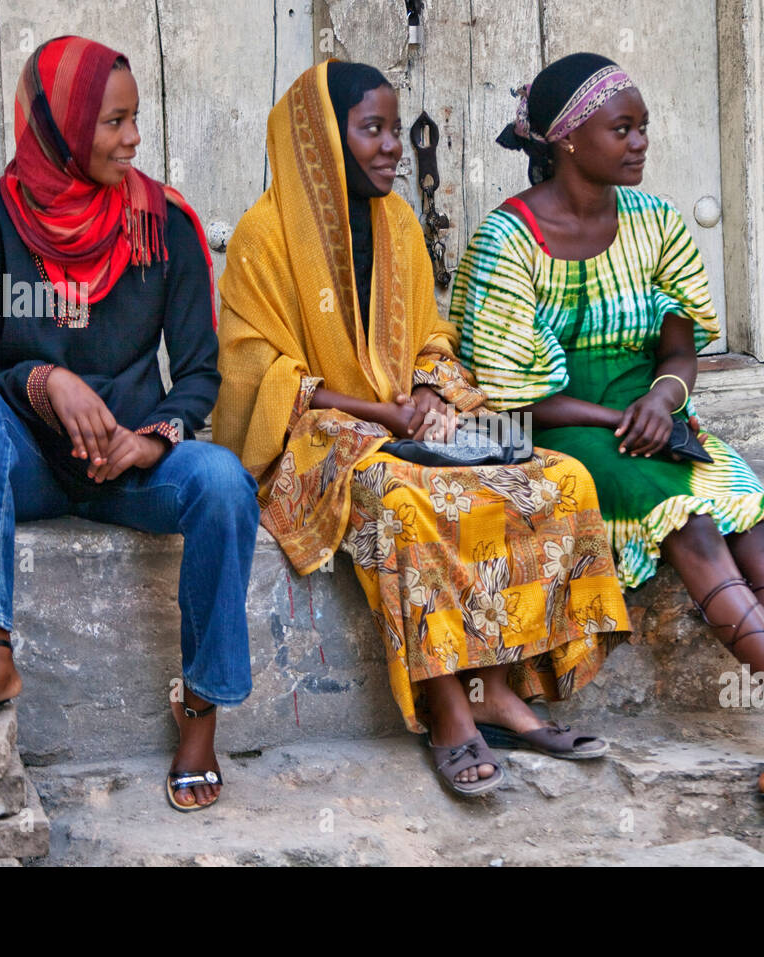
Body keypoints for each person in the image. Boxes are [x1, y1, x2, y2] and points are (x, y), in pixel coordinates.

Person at [451, 52, 764, 808]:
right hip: (565, 426)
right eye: (621, 128)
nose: (639, 142)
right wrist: (624, 419)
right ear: (564, 140)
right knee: (688, 520)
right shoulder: (508, 239)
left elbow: (681, 350)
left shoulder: (657, 223)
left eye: (643, 127)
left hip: (656, 416)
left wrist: (662, 400)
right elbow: (507, 394)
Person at [212, 60, 631, 797]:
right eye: (370, 129)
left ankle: (496, 691)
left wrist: (435, 392)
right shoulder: (263, 233)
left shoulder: (399, 220)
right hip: (315, 437)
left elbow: (431, 338)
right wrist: (381, 412)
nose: (390, 148)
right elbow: (260, 374)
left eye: (394, 130)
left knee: (554, 478)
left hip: (406, 424)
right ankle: (446, 709)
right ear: (319, 138)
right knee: (405, 502)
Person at [0, 36, 260, 813]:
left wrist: (151, 438)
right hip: (31, 467)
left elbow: (200, 371)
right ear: (62, 125)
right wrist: (42, 380)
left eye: (135, 120)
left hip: (135, 469)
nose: (132, 139)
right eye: (112, 122)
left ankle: (200, 709)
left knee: (225, 484)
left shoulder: (162, 225)